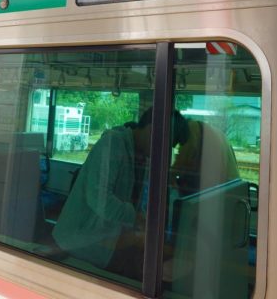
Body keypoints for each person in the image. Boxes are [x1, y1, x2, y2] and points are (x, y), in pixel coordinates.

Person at [53, 109, 188, 280]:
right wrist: (135, 218)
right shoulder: (112, 145)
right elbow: (100, 201)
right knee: (142, 274)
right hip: (80, 240)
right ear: (152, 130)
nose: (165, 153)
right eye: (166, 145)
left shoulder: (141, 157)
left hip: (105, 236)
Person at [171, 118, 239, 196]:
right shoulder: (202, 128)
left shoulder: (191, 130)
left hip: (222, 191)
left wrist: (167, 178)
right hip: (232, 186)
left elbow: (180, 164)